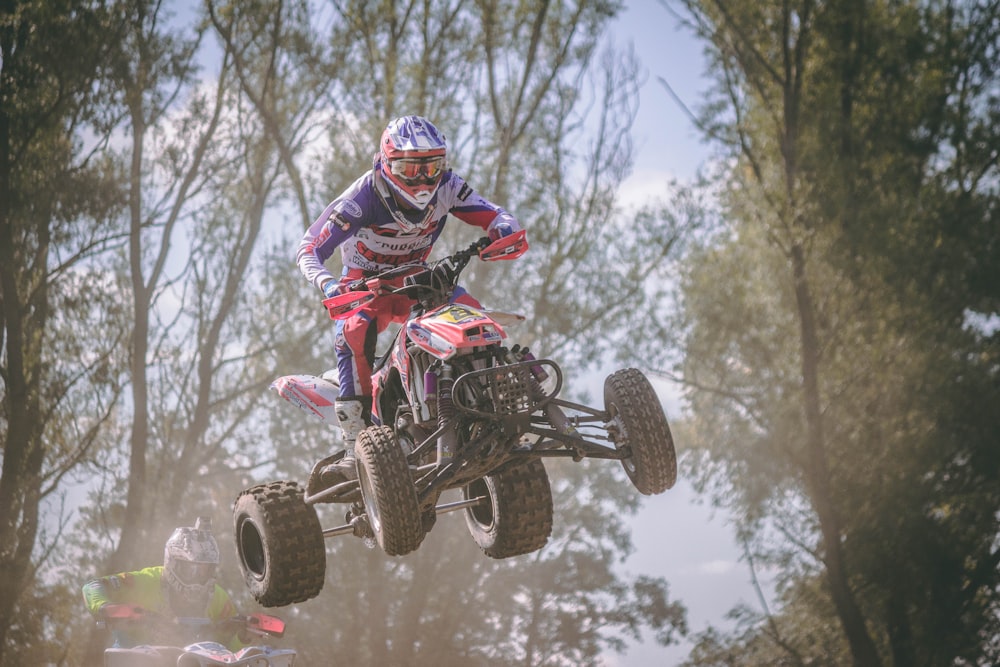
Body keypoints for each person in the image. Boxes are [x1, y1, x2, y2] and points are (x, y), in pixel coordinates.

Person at [297, 115, 524, 488]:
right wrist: (326, 283)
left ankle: (497, 394)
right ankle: (357, 441)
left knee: (475, 316)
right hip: (365, 287)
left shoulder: (448, 186)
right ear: (386, 163)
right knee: (352, 332)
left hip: (420, 280)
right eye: (408, 168)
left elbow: (492, 211)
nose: (421, 180)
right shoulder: (362, 198)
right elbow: (309, 247)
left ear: (442, 165)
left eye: (431, 167)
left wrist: (504, 226)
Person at [82, 517, 243, 651]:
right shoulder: (145, 581)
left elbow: (231, 651)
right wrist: (106, 607)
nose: (198, 577)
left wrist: (244, 637)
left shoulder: (218, 597)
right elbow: (93, 586)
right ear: (172, 562)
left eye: (205, 570)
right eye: (191, 569)